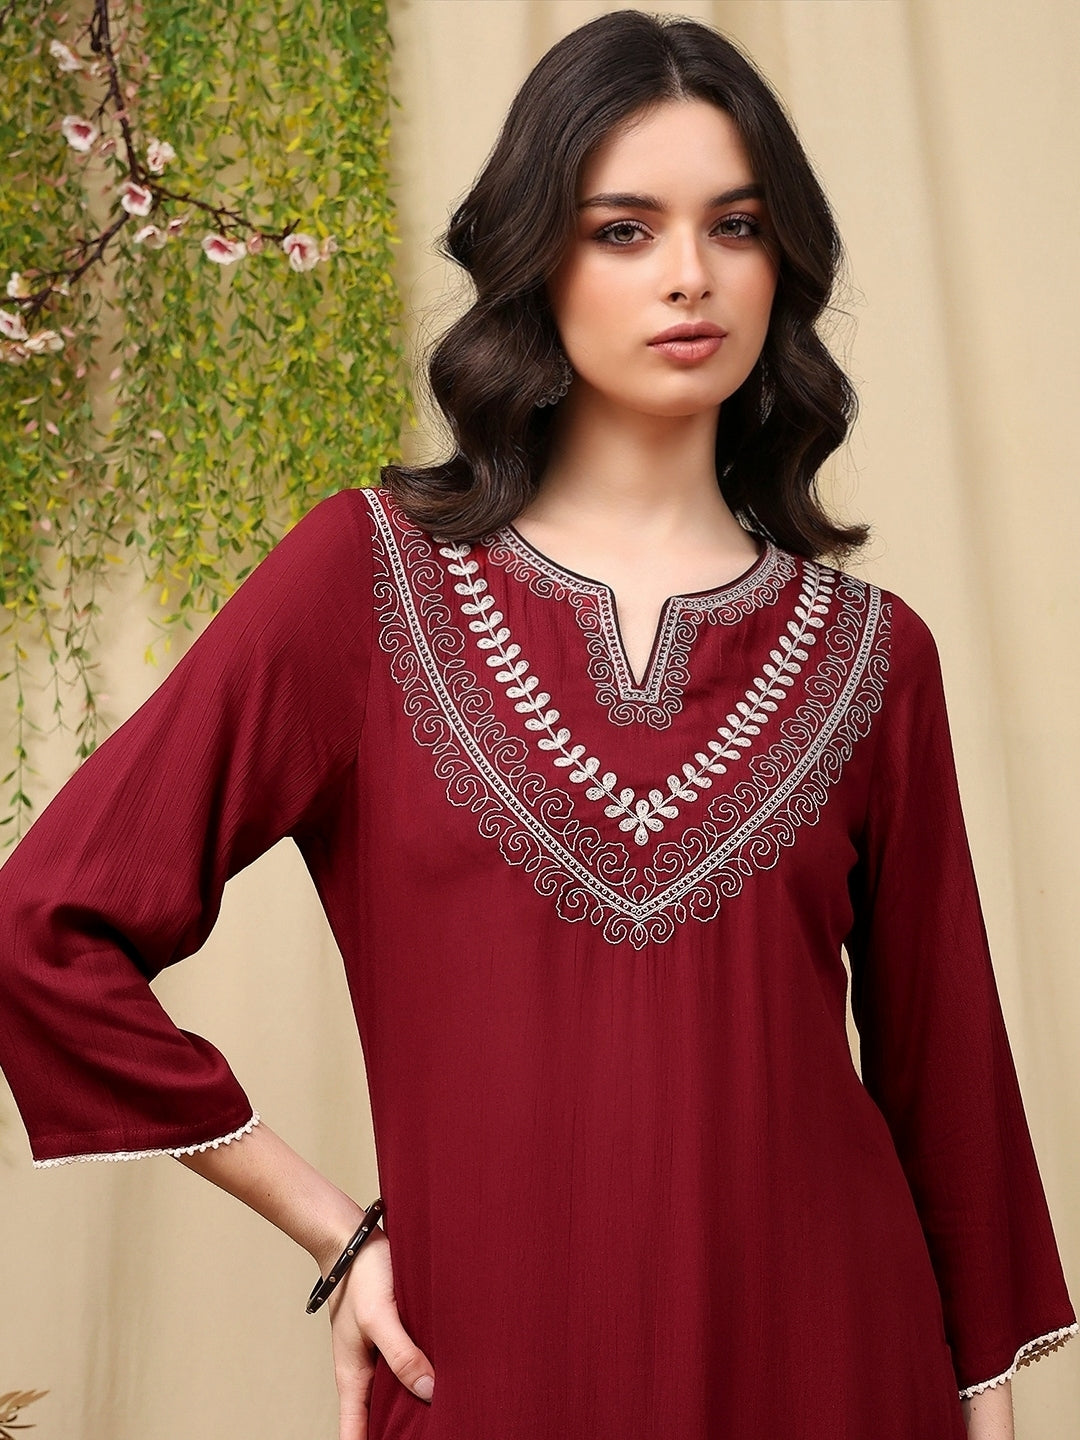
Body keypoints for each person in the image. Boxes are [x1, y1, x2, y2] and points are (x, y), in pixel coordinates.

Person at [0, 10, 1074, 1439]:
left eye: (736, 226)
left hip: (835, 1374)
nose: (690, 275)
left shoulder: (874, 655)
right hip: (488, 1380)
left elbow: (954, 1104)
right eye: (624, 230)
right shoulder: (365, 582)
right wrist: (336, 1230)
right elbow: (45, 928)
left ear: (784, 263)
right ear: (535, 262)